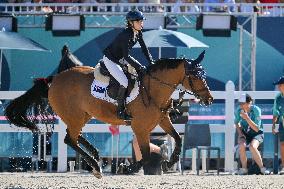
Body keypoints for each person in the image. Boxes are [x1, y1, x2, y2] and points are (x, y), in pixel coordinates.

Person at [102, 9, 154, 121]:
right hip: (111, 60)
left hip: (120, 59)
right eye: (139, 21)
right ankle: (120, 110)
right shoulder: (126, 35)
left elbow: (145, 50)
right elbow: (126, 56)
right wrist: (139, 66)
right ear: (131, 23)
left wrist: (152, 63)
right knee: (124, 82)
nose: (141, 23)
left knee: (135, 76)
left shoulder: (138, 33)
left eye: (142, 21)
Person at [235, 93, 269, 175]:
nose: (241, 106)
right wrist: (240, 133)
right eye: (240, 103)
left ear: (249, 102)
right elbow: (236, 123)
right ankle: (244, 169)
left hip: (257, 133)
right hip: (245, 133)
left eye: (243, 103)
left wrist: (247, 118)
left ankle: (262, 168)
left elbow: (257, 129)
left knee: (252, 147)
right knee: (241, 145)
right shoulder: (239, 110)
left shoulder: (256, 110)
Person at [272, 76, 284, 174]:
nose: (279, 87)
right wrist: (274, 126)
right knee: (283, 145)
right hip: (282, 124)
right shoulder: (278, 98)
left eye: (280, 85)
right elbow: (276, 113)